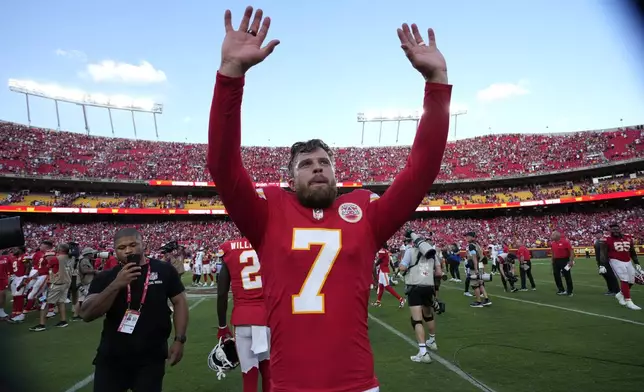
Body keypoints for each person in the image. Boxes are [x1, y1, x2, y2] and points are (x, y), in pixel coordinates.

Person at [207, 6, 450, 391]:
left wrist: (436, 83)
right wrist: (230, 76)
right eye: (305, 163)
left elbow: (420, 173)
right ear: (290, 177)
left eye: (324, 161)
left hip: (357, 383)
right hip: (290, 384)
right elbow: (222, 166)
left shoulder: (365, 213)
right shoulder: (268, 214)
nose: (317, 168)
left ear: (336, 172)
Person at [80, 228, 189, 392]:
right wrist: (116, 284)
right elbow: (87, 314)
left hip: (151, 356)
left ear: (143, 244)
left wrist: (179, 339)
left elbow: (179, 301)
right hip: (113, 357)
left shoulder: (163, 270)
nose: (128, 250)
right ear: (115, 250)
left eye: (133, 245)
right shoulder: (106, 276)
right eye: (121, 248)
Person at [216, 237, 271, 391]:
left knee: (249, 377)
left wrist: (222, 325)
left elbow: (222, 293)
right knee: (268, 373)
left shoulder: (228, 248)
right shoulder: (266, 243)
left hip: (242, 320)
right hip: (265, 318)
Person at [400, 234, 442, 363]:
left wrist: (402, 269)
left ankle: (423, 353)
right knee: (428, 315)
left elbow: (402, 268)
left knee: (417, 320)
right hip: (428, 286)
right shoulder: (433, 254)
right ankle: (432, 341)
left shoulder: (410, 251)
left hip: (415, 286)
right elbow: (439, 273)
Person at [29, 243, 73, 331]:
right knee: (61, 302)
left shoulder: (55, 258)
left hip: (56, 283)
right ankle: (63, 321)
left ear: (60, 249)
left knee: (44, 302)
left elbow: (45, 269)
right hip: (66, 283)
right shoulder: (70, 258)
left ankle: (41, 324)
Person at [599, 222, 642, 310]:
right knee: (624, 279)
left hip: (627, 260)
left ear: (620, 229)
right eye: (613, 229)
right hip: (615, 260)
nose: (615, 230)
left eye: (617, 228)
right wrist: (602, 265)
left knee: (631, 280)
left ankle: (620, 294)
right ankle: (628, 301)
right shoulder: (606, 239)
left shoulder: (628, 238)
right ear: (610, 230)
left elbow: (632, 251)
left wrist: (637, 263)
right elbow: (603, 253)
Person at [464, 232, 491, 307]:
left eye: (468, 236)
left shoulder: (471, 246)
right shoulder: (477, 245)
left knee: (475, 285)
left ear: (472, 237)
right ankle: (486, 299)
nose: (466, 238)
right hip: (480, 265)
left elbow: (474, 258)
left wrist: (476, 269)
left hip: (476, 266)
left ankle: (478, 302)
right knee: (481, 283)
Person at [550, 231, 575, 296]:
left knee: (567, 275)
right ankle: (561, 289)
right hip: (556, 261)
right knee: (556, 275)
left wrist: (571, 261)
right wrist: (552, 261)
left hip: (564, 260)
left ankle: (570, 291)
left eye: (553, 235)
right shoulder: (553, 243)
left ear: (557, 236)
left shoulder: (565, 242)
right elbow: (553, 252)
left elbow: (571, 251)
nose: (551, 236)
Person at [595, 231, 619, 295]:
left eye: (597, 234)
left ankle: (615, 290)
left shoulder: (604, 241)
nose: (596, 235)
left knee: (610, 276)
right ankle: (610, 289)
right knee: (606, 276)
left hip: (606, 261)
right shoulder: (597, 241)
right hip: (600, 261)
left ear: (601, 234)